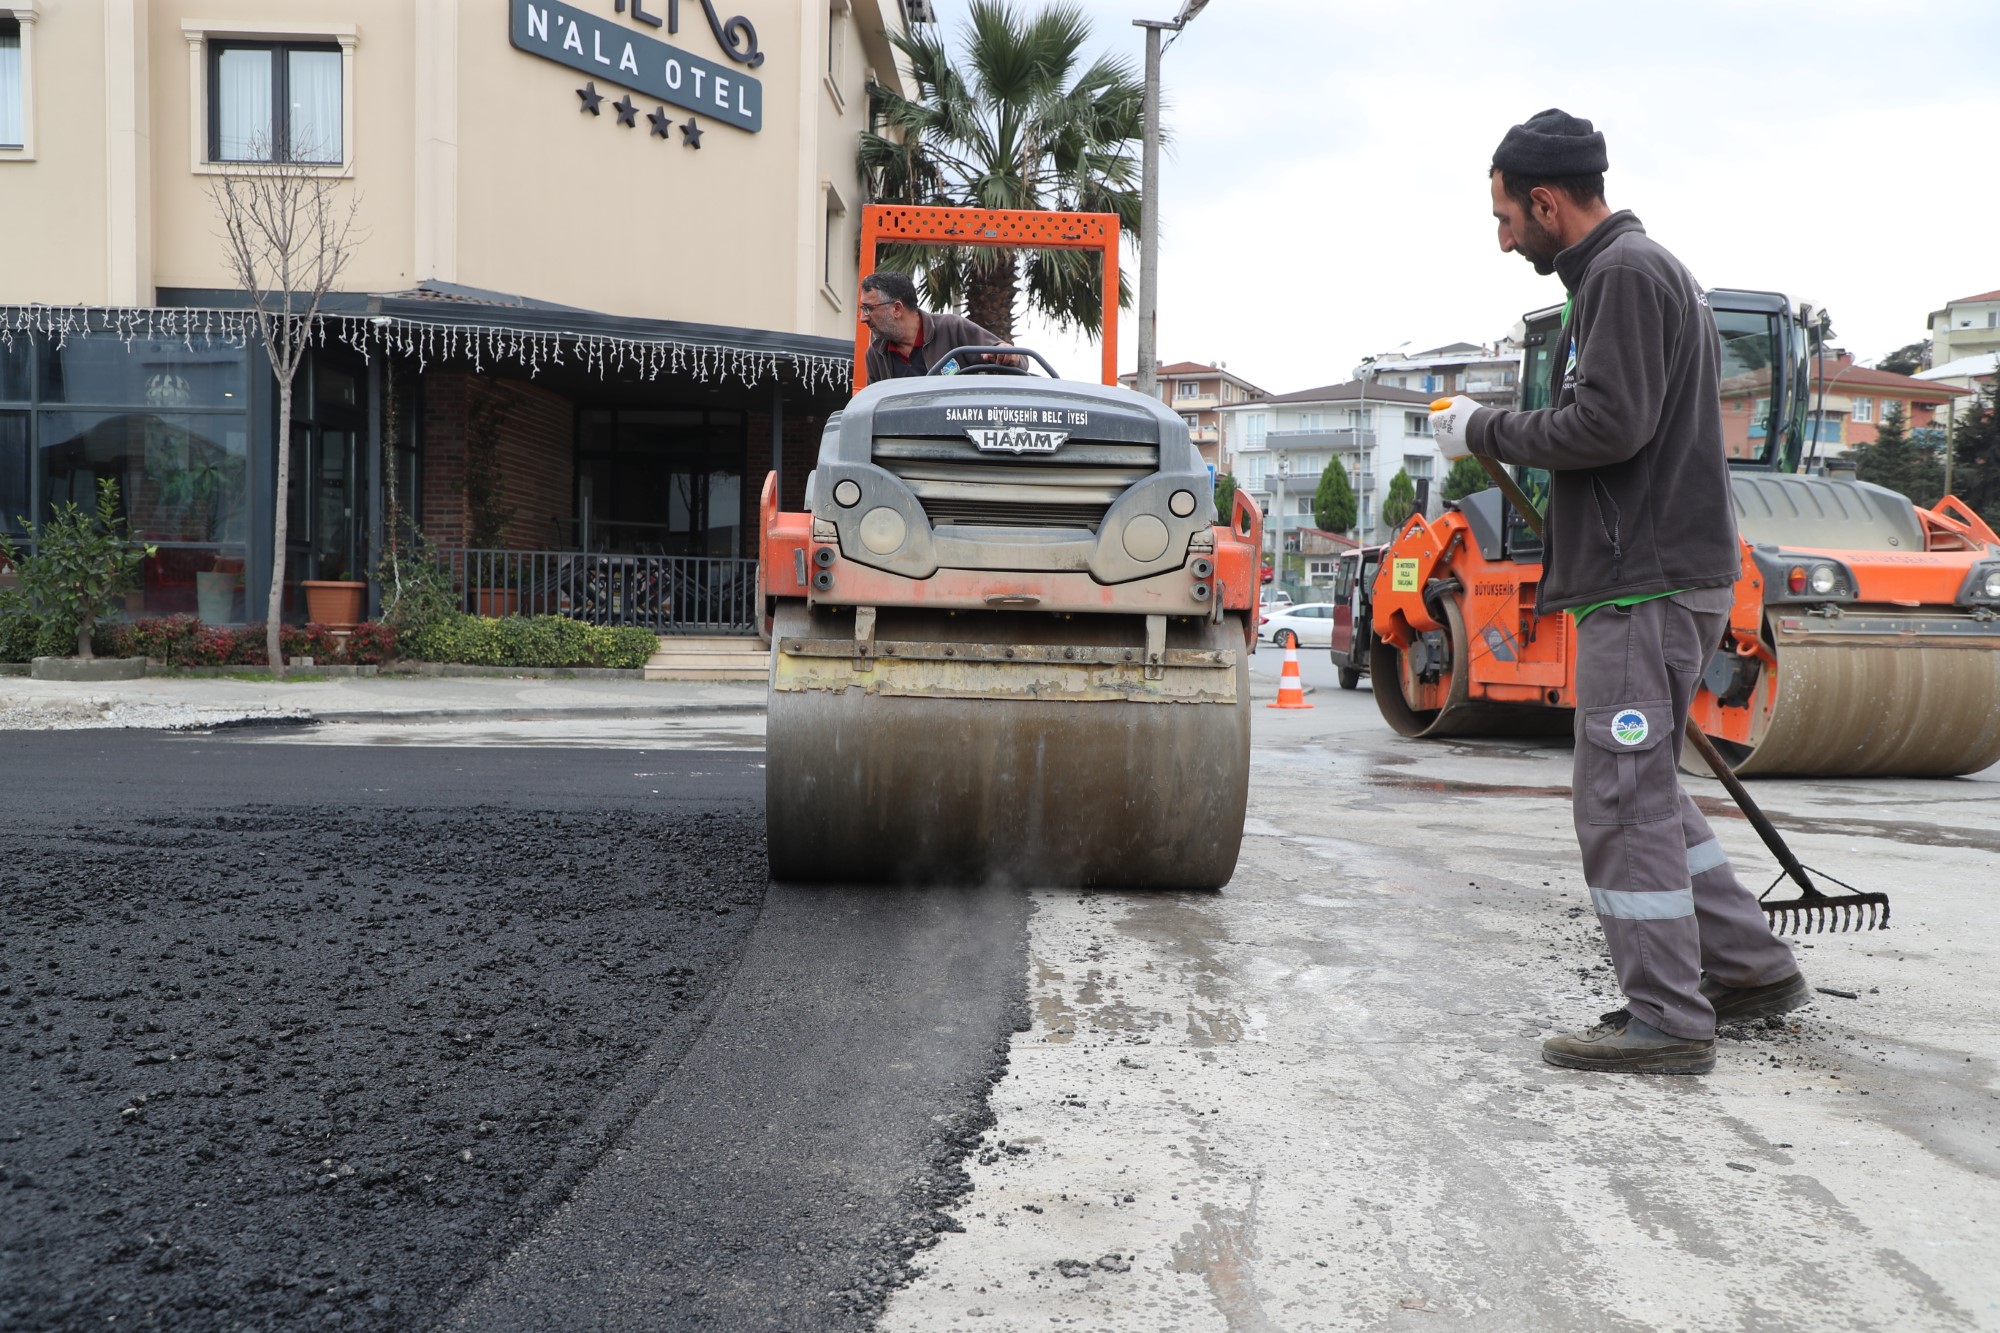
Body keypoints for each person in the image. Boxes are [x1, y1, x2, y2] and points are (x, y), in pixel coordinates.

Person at [1430, 108, 1808, 1075]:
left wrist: (1485, 429)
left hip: (1642, 588)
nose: (1504, 235)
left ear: (1548, 201)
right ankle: (1750, 968)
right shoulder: (1629, 274)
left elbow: (1608, 425)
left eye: (1507, 214)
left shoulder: (1625, 277)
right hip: (1649, 579)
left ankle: (1669, 1020)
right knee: (1645, 792)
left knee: (1617, 799)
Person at [858, 271, 1014, 382]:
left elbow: (1015, 361)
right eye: (862, 309)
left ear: (897, 309)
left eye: (868, 308)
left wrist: (1008, 354)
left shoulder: (953, 328)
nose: (863, 318)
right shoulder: (875, 354)